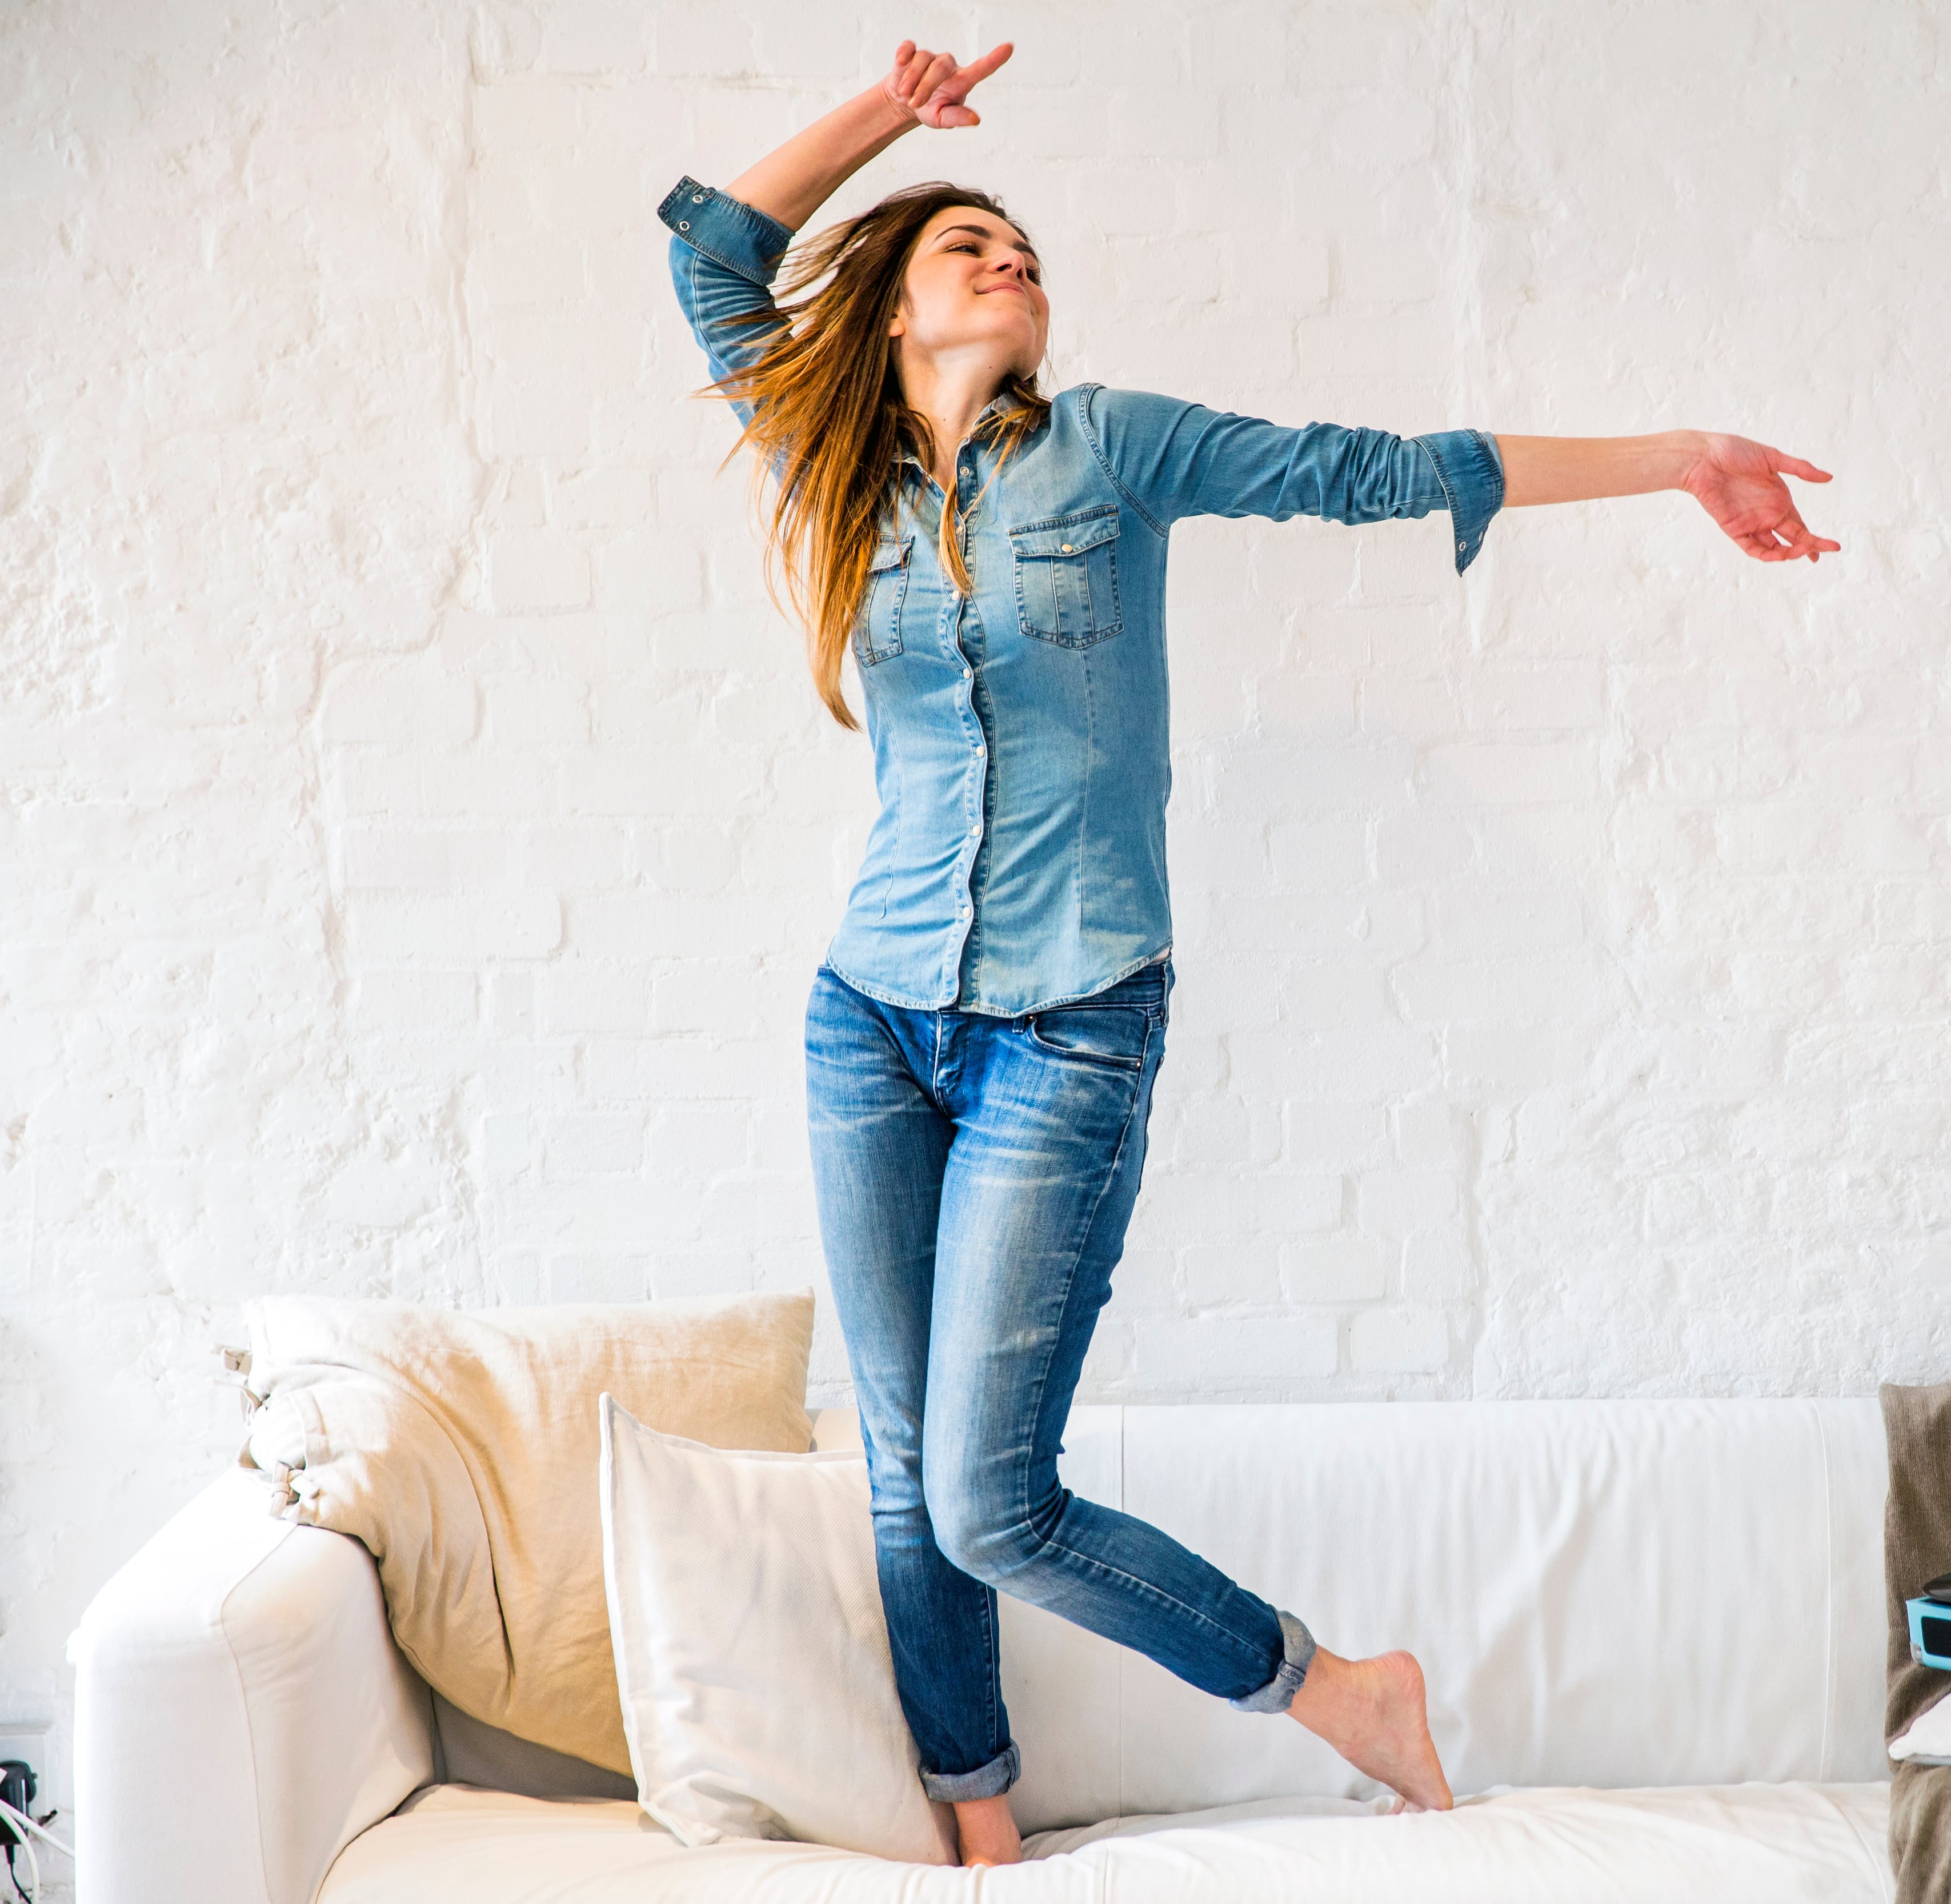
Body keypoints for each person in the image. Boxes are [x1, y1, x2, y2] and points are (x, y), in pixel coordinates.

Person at [659, 37, 1839, 1868]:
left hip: (1069, 1027)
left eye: (1020, 247)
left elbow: (1376, 469)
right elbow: (714, 254)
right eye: (964, 246)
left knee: (987, 1498)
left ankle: (1337, 1692)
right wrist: (896, 121)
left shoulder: (1113, 446)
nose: (1007, 259)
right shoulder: (840, 466)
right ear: (890, 309)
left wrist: (1682, 457)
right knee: (901, 1474)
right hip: (868, 1019)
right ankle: (981, 1826)